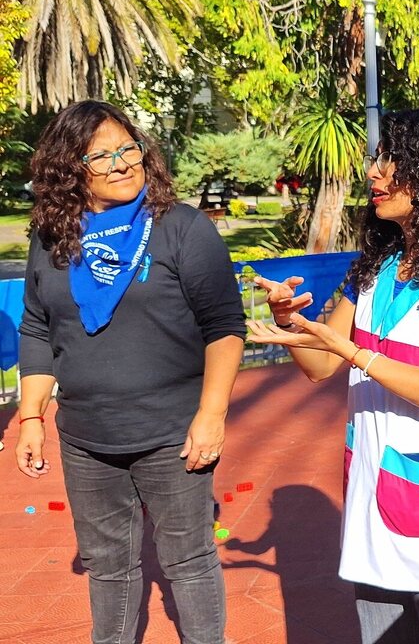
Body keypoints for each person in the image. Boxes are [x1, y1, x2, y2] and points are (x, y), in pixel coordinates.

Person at [247, 108, 419, 644]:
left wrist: (349, 349)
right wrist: (291, 322)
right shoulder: (374, 267)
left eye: (390, 159)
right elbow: (320, 365)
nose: (374, 172)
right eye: (377, 159)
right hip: (374, 486)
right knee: (381, 633)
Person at [15, 101, 246, 644]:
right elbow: (37, 328)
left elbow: (224, 327)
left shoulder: (181, 228)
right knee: (107, 565)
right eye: (100, 156)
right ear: (70, 169)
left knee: (188, 560)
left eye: (128, 149)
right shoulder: (52, 238)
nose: (121, 163)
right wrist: (31, 417)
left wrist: (211, 416)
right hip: (86, 438)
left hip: (172, 434)